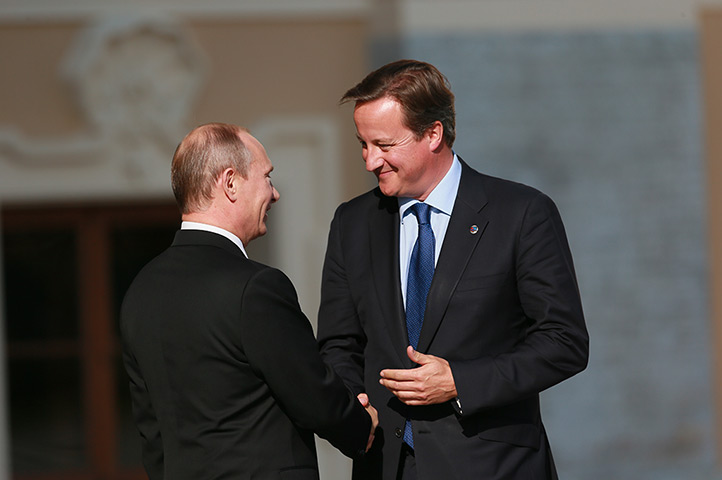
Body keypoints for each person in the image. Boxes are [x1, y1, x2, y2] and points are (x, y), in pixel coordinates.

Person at [317, 60, 589, 480]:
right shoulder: (352, 223)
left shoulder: (521, 213)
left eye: (384, 145)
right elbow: (339, 344)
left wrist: (461, 381)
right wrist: (357, 410)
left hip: (494, 467)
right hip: (385, 466)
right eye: (363, 144)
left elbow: (564, 342)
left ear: (433, 134)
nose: (370, 161)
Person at [120, 123, 377, 480]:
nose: (274, 193)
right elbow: (312, 394)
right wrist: (362, 425)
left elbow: (151, 432)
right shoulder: (256, 287)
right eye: (267, 176)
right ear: (230, 183)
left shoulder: (140, 291)